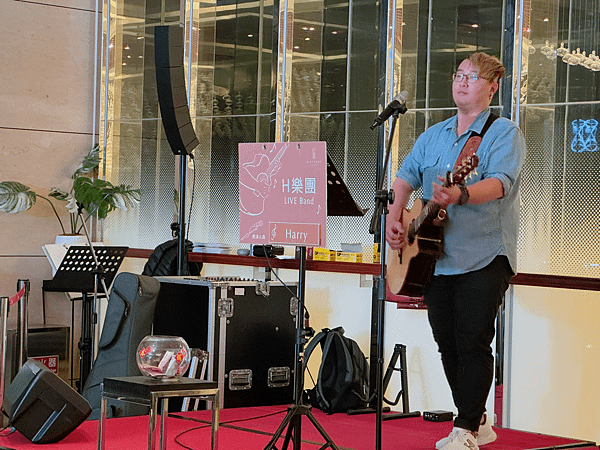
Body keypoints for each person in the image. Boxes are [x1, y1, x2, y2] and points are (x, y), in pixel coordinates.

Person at [385, 52, 526, 450]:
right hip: (434, 258)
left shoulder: (503, 133)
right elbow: (404, 177)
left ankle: (463, 429)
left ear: (492, 86)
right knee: (446, 340)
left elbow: (500, 183)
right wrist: (396, 217)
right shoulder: (435, 134)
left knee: (473, 338)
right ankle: (476, 418)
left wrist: (460, 193)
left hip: (484, 254)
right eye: (459, 75)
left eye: (473, 77)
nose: (462, 82)